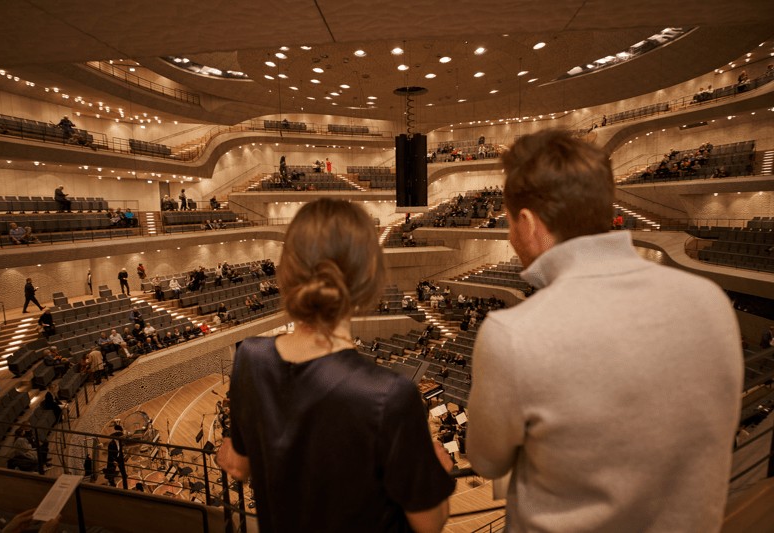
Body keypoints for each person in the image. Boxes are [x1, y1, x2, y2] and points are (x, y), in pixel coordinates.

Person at [466, 130, 743, 533]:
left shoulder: (514, 334)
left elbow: (486, 461)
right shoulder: (710, 300)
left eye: (509, 223)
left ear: (527, 222)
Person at [217, 198, 454, 532]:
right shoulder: (388, 395)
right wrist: (438, 472)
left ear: (288, 272)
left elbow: (239, 466)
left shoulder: (250, 358)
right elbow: (429, 523)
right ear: (368, 280)